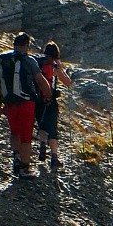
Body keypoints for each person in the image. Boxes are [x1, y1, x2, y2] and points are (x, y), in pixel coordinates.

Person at [0, 32, 39, 178]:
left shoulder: (1, 59)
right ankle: (25, 169)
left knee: (14, 132)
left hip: (9, 102)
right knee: (26, 136)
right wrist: (48, 95)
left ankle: (16, 157)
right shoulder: (29, 60)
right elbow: (40, 80)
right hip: (26, 103)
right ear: (26, 45)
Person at [33, 40, 74, 170]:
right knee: (53, 128)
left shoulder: (38, 64)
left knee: (42, 124)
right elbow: (69, 83)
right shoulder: (55, 67)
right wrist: (62, 70)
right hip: (51, 101)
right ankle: (54, 157)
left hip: (38, 100)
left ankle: (42, 146)